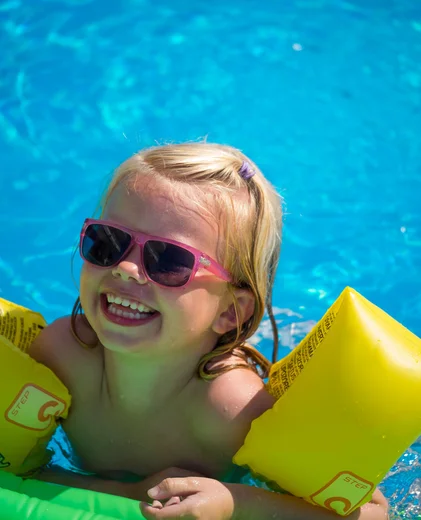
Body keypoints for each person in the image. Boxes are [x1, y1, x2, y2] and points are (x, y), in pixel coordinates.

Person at [29, 142, 389, 519]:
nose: (126, 269)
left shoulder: (231, 412)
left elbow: (371, 512)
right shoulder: (60, 358)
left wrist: (234, 504)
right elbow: (18, 468)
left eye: (168, 261)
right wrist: (128, 494)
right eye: (109, 242)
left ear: (231, 312)